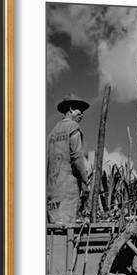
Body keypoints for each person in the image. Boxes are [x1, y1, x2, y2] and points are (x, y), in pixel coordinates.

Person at [47, 94, 90, 225]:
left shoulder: (52, 133)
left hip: (51, 192)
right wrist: (84, 181)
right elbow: (77, 157)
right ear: (71, 109)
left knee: (54, 230)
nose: (82, 114)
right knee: (66, 231)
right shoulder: (73, 127)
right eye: (79, 110)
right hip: (67, 190)